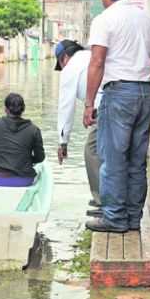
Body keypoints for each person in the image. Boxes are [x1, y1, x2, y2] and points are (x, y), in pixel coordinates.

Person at [82, 0, 150, 233]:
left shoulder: (104, 20)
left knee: (113, 159)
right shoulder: (148, 20)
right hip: (145, 93)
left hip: (118, 93)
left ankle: (115, 218)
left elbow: (97, 62)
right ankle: (133, 218)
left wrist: (88, 104)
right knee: (136, 160)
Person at [54, 39, 104, 217]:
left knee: (92, 151)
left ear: (65, 58)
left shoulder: (70, 69)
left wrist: (63, 143)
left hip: (103, 109)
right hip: (117, 103)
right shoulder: (91, 56)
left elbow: (66, 108)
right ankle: (109, 199)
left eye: (60, 64)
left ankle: (103, 202)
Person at [0, 93, 45, 187]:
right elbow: (40, 157)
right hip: (23, 180)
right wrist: (28, 160)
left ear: (5, 109)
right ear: (23, 109)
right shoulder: (34, 130)